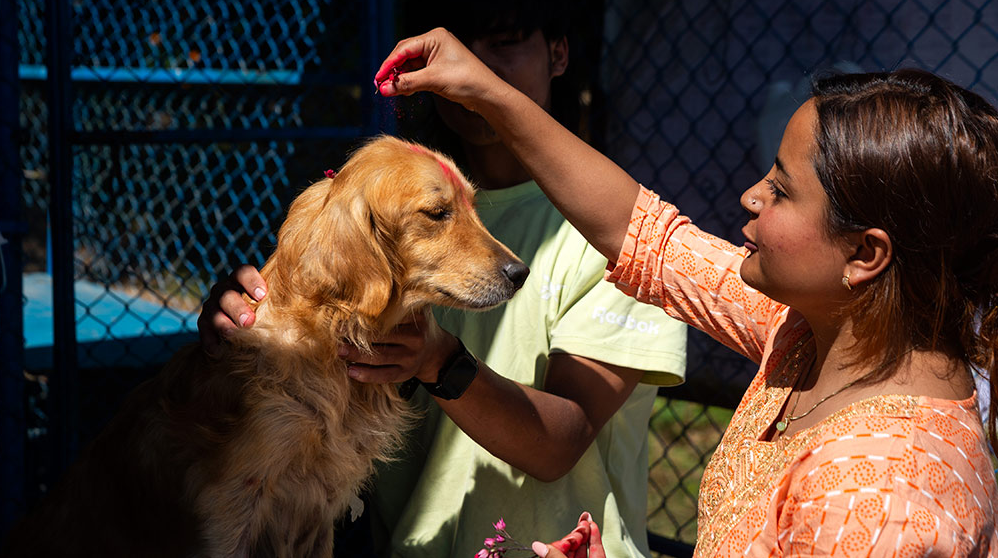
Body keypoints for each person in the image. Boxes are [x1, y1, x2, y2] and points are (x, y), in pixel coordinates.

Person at [374, 30, 998, 556]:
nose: (751, 196)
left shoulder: (880, 497)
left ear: (864, 255)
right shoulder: (816, 334)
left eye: (781, 191)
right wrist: (485, 89)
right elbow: (643, 233)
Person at [197, 0, 687, 558]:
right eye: (460, 49)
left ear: (559, 52)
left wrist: (439, 361)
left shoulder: (618, 233)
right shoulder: (390, 203)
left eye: (504, 42)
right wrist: (247, 318)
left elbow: (560, 441)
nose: (474, 73)